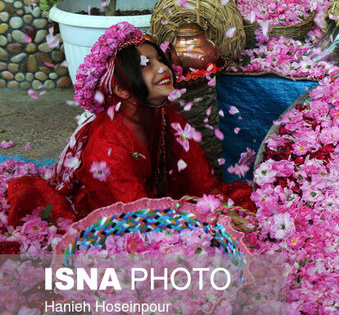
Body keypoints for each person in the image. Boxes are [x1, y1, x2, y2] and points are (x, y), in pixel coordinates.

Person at [6, 22, 255, 228]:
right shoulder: (109, 148)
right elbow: (141, 214)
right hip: (121, 218)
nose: (162, 69)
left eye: (160, 59)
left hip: (151, 205)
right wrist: (208, 220)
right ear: (121, 90)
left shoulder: (164, 112)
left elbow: (199, 175)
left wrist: (219, 209)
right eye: (147, 66)